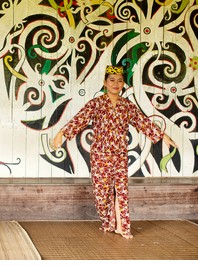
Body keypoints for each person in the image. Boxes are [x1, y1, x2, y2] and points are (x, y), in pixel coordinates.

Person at [52, 65, 178, 239]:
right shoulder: (96, 104)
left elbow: (143, 122)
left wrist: (164, 136)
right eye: (112, 80)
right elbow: (79, 120)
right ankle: (108, 221)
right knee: (101, 195)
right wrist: (61, 134)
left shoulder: (127, 105)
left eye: (119, 80)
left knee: (121, 191)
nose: (116, 84)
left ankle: (122, 226)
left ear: (123, 83)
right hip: (100, 157)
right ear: (105, 83)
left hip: (120, 155)